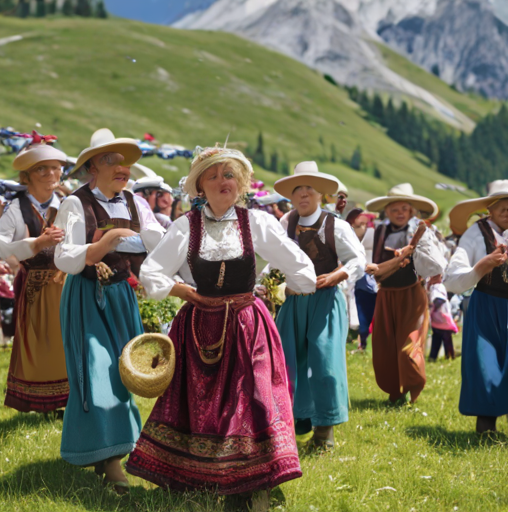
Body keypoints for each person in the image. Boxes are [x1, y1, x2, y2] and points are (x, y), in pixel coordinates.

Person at [126, 146, 316, 510]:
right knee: (200, 404)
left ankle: (256, 480)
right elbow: (151, 272)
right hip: (199, 325)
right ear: (199, 186)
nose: (221, 181)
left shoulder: (257, 222)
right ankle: (198, 474)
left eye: (228, 174)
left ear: (241, 183)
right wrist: (184, 290)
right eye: (212, 175)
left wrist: (279, 286)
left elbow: (301, 267)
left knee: (254, 397)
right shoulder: (185, 226)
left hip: (248, 324)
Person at [54, 131, 165, 492]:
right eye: (110, 160)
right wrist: (99, 246)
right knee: (96, 374)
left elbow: (158, 243)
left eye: (124, 161)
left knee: (122, 374)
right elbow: (63, 256)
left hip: (121, 296)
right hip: (86, 295)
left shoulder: (137, 203)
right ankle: (111, 462)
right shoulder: (74, 204)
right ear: (91, 167)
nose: (122, 167)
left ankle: (112, 451)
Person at [274, 162, 366, 448]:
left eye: (309, 189)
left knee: (324, 364)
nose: (303, 194)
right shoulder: (284, 223)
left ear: (321, 195)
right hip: (292, 301)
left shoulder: (336, 225)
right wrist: (264, 284)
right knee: (288, 363)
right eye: (297, 189)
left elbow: (358, 260)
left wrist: (339, 274)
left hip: (325, 302)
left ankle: (324, 431)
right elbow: (275, 260)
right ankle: (292, 424)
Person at [0, 136, 70, 413]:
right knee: (39, 341)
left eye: (55, 167)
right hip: (34, 286)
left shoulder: (67, 203)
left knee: (67, 338)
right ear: (27, 175)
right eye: (42, 168)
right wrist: (36, 244)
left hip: (66, 281)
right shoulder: (16, 208)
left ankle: (67, 399)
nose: (51, 173)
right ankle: (43, 401)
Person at [366, 184, 446, 404]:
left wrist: (414, 251)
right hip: (386, 295)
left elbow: (435, 261)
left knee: (409, 346)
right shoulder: (378, 231)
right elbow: (364, 257)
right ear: (387, 212)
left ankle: (414, 388)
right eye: (394, 209)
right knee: (385, 346)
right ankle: (395, 392)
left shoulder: (420, 231)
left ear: (411, 211)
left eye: (404, 208)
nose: (400, 213)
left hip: (412, 294)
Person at [445, 180, 508, 433]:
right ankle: (486, 427)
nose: (506, 209)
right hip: (485, 307)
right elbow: (452, 280)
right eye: (500, 205)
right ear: (489, 209)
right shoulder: (475, 233)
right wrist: (482, 266)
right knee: (485, 363)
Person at [346, 208, 378, 351]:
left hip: (373, 280)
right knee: (361, 314)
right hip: (358, 282)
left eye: (364, 224)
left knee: (369, 314)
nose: (362, 228)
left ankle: (365, 342)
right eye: (358, 225)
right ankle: (361, 342)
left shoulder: (375, 234)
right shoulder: (349, 237)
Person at [427, 275, 458, 361]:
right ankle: (445, 357)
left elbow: (439, 299)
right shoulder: (436, 286)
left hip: (441, 318)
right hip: (441, 319)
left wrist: (433, 309)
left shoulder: (437, 287)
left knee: (441, 341)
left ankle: (447, 356)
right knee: (441, 340)